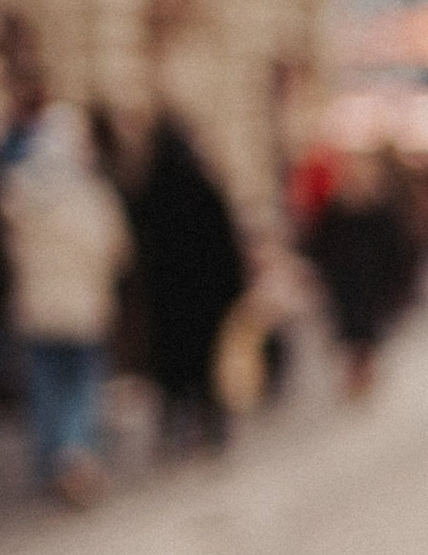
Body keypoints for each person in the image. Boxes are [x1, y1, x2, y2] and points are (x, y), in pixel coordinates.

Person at [3, 103, 130, 504]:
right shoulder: (90, 194)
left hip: (37, 308)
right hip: (82, 308)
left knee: (45, 388)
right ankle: (75, 455)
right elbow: (116, 249)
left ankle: (50, 463)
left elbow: (13, 251)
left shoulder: (18, 191)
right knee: (80, 386)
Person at [128, 111, 247, 453]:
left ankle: (175, 428)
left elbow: (139, 250)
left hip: (167, 299)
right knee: (207, 364)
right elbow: (227, 249)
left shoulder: (150, 194)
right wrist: (232, 292)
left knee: (172, 369)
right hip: (207, 299)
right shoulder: (205, 190)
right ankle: (213, 426)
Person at [302, 149, 417, 398]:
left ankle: (364, 373)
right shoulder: (336, 210)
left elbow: (396, 248)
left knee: (367, 332)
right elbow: (319, 245)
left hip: (372, 282)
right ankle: (356, 375)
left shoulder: (379, 209)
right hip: (345, 281)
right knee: (351, 333)